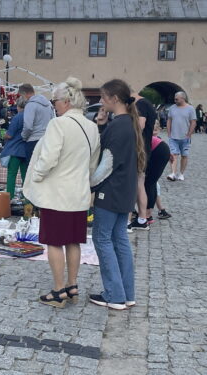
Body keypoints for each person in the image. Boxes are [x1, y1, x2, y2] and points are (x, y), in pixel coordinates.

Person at [23, 77, 101, 308]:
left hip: (57, 194)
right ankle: (72, 285)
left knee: (55, 243)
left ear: (66, 101)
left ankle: (58, 291)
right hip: (78, 193)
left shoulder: (58, 124)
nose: (53, 105)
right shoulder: (92, 127)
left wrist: (36, 176)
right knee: (73, 242)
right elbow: (92, 165)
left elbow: (48, 158)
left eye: (55, 100)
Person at [89, 79, 147, 310]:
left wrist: (90, 185)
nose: (101, 101)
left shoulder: (119, 126)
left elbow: (107, 164)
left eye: (103, 97)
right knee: (119, 240)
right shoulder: (127, 123)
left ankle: (114, 295)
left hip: (111, 192)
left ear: (114, 98)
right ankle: (126, 293)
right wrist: (102, 125)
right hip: (125, 191)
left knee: (102, 239)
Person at [128, 91, 158, 231]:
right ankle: (141, 219)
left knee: (134, 183)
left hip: (139, 149)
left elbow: (140, 125)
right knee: (140, 184)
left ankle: (128, 220)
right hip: (144, 149)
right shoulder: (146, 103)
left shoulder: (140, 104)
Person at [0, 96, 28, 198]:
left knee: (12, 175)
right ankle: (26, 198)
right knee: (25, 176)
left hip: (15, 150)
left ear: (18, 106)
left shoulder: (17, 117)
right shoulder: (30, 116)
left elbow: (10, 134)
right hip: (26, 150)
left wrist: (4, 135)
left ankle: (9, 197)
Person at [18, 83, 55, 160]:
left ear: (24, 94)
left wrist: (23, 137)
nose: (22, 98)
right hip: (46, 140)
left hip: (33, 140)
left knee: (32, 169)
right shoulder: (48, 104)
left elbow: (28, 126)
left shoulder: (30, 105)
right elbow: (53, 121)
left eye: (21, 96)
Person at [166, 91, 196, 181]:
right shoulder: (172, 108)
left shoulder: (190, 109)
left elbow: (193, 122)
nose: (175, 100)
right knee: (173, 154)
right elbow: (169, 120)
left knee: (184, 155)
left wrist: (189, 134)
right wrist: (169, 132)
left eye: (176, 99)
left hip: (185, 137)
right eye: (174, 99)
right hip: (173, 137)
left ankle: (181, 173)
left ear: (183, 98)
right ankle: (173, 173)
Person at [143, 125, 170, 223]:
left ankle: (147, 215)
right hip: (161, 149)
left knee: (148, 183)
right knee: (151, 183)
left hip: (158, 151)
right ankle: (148, 214)